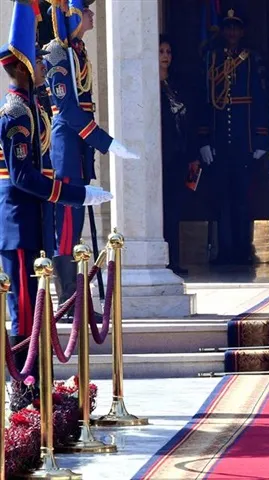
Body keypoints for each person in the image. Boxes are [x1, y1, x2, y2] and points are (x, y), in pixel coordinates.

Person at [0, 0, 112, 386]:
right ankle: (24, 391)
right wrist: (73, 195)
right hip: (19, 224)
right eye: (38, 62)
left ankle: (40, 388)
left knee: (37, 310)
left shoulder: (32, 107)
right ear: (24, 67)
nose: (45, 67)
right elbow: (22, 177)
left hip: (35, 221)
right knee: (24, 312)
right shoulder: (15, 113)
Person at [43, 0, 138, 317]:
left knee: (77, 228)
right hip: (67, 149)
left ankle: (77, 302)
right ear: (71, 16)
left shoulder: (78, 51)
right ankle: (69, 303)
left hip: (80, 148)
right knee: (67, 229)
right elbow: (68, 111)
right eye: (85, 11)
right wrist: (106, 142)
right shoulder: (56, 53)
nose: (92, 14)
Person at [198, 9, 269, 266]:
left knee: (242, 199)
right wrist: (204, 139)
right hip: (219, 142)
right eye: (228, 27)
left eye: (236, 28)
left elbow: (261, 99)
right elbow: (205, 99)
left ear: (242, 31)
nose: (232, 32)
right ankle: (224, 251)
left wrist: (260, 139)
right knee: (221, 199)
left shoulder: (252, 58)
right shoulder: (211, 58)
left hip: (244, 141)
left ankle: (243, 250)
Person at [159, 35, 197, 275]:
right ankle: (162, 260)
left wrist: (192, 154)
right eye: (161, 51)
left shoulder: (175, 85)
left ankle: (174, 260)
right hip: (160, 157)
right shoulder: (150, 85)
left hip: (179, 157)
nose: (165, 56)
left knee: (175, 210)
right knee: (163, 211)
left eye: (168, 51)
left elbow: (188, 121)